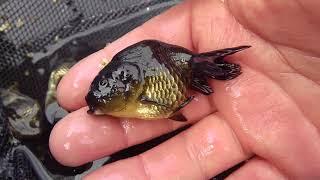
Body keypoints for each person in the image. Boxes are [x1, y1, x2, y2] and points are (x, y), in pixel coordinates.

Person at [49, 0, 320, 179]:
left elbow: (163, 107)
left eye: (107, 94)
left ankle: (203, 67)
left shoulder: (141, 93)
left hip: (169, 61)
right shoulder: (124, 90)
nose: (100, 100)